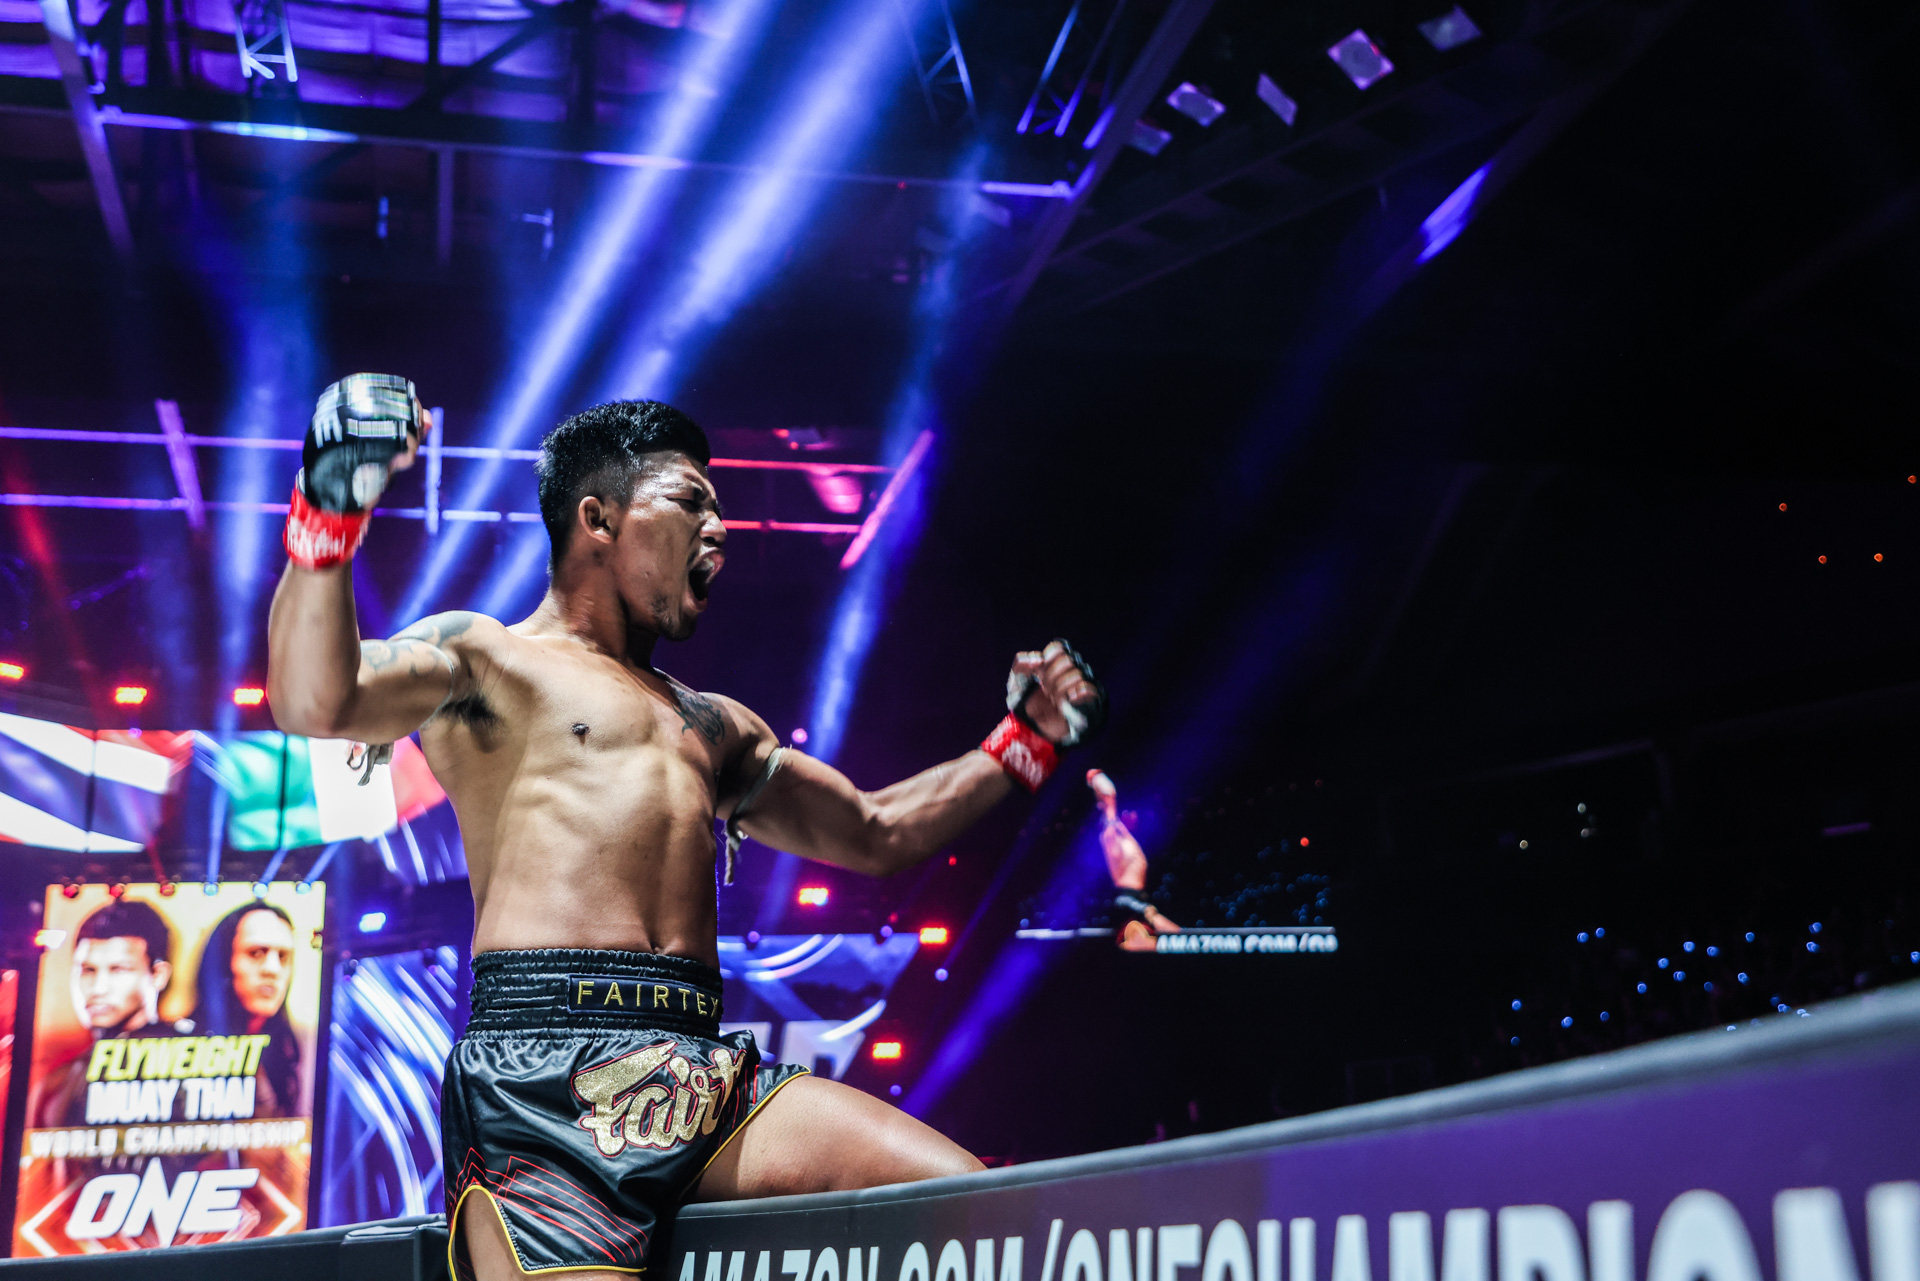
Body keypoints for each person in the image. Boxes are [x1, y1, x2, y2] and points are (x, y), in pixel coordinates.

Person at [266, 382, 1105, 1281]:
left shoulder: (713, 724)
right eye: (692, 499)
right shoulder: (489, 657)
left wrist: (1022, 742)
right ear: (598, 517)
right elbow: (316, 698)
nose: (721, 527)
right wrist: (329, 502)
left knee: (985, 1213)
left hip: (705, 1075)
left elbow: (876, 830)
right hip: (545, 1079)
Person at [31, 899, 185, 1128]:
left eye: (118, 969)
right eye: (88, 970)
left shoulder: (209, 1061)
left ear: (157, 975)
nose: (98, 988)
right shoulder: (56, 1083)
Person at [191, 901, 303, 1118]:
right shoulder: (184, 1043)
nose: (273, 969)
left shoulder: (293, 1047)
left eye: (283, 956)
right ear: (225, 961)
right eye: (256, 953)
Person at [1086, 770, 1181, 952]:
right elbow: (1109, 801)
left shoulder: (1126, 838)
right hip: (1126, 899)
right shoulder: (1110, 836)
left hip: (1136, 897)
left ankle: (1187, 941)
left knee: (1152, 944)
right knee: (1161, 925)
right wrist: (1096, 779)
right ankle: (1190, 940)